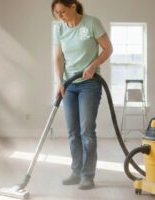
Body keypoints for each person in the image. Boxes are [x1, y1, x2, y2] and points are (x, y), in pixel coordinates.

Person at [51, 0, 113, 190]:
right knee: (73, 132)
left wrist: (93, 65)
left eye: (63, 11)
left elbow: (108, 48)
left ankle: (87, 175)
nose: (60, 16)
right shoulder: (59, 29)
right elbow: (59, 58)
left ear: (73, 7)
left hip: (90, 85)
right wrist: (60, 82)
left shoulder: (91, 23)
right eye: (57, 13)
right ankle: (76, 172)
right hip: (70, 86)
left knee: (87, 132)